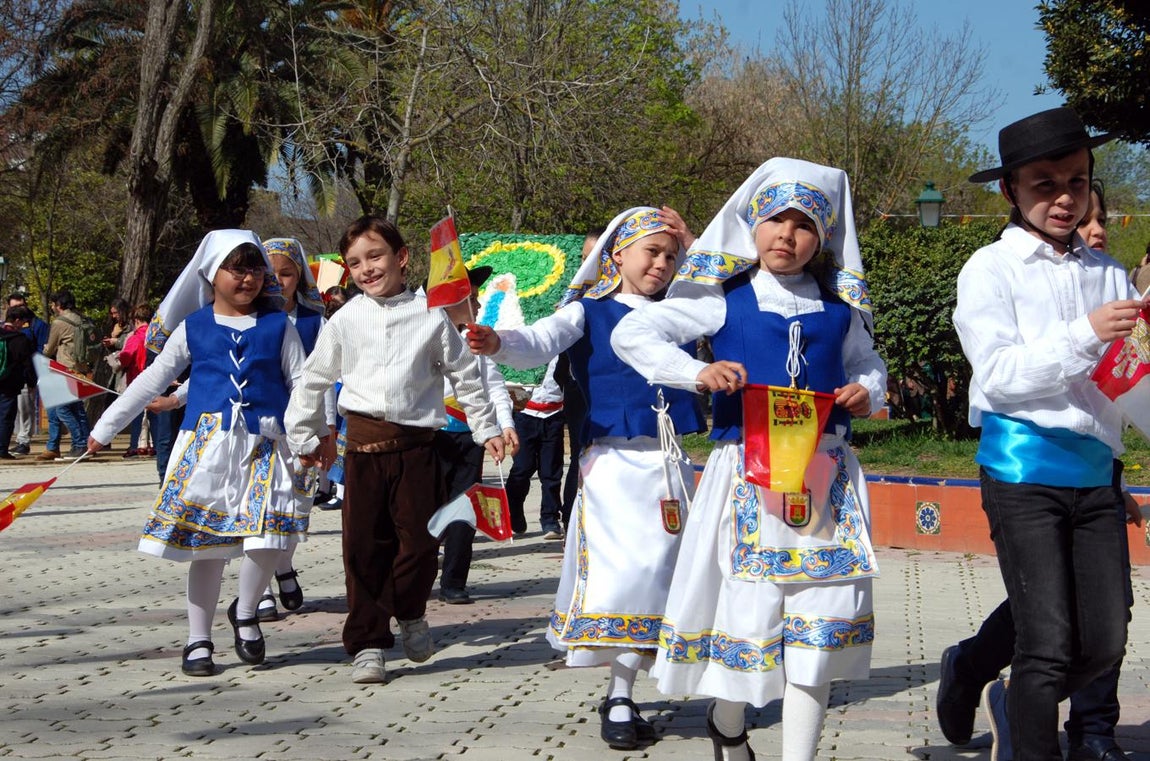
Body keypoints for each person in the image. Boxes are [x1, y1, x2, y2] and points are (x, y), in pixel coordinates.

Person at [611, 158, 886, 761]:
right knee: (751, 615)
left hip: (825, 482)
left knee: (820, 627)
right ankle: (728, 722)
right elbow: (632, 335)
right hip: (747, 479)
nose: (785, 235)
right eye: (774, 220)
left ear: (823, 238)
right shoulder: (722, 300)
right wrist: (696, 371)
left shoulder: (840, 307)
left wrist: (869, 391)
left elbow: (868, 362)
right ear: (752, 226)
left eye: (802, 224)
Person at [467, 206, 704, 751]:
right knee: (627, 572)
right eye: (652, 252)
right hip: (613, 465)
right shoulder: (588, 311)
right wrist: (498, 343)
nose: (662, 263)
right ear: (618, 254)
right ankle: (619, 694)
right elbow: (539, 339)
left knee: (669, 571)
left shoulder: (688, 309)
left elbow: (734, 292)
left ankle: (652, 681)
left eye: (671, 255)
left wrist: (693, 242)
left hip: (669, 462)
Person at [949, 107, 1135, 761]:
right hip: (1023, 470)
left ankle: (985, 679)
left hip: (1096, 472)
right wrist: (1087, 332)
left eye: (1078, 181)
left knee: (1104, 640)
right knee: (1047, 645)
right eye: (1044, 183)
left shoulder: (1109, 275)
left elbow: (1128, 384)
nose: (1064, 197)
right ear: (1010, 190)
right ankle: (1023, 729)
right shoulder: (989, 271)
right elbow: (1000, 378)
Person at [283, 215, 505, 685]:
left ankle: (410, 612)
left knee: (420, 545)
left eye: (375, 256)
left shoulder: (432, 316)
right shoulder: (344, 319)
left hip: (419, 450)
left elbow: (466, 375)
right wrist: (304, 434)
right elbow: (314, 378)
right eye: (355, 263)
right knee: (363, 548)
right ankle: (368, 641)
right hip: (362, 452)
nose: (366, 268)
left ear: (402, 258)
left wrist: (488, 429)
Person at [86, 229, 310, 677]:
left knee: (271, 538)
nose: (247, 278)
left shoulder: (278, 325)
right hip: (207, 450)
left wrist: (312, 435)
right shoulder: (194, 326)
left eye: (254, 268)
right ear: (212, 274)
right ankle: (198, 639)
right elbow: (152, 381)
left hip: (268, 444)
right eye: (236, 268)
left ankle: (246, 611)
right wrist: (106, 427)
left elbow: (303, 382)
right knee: (205, 549)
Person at [254, 237, 332, 623]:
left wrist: (329, 429)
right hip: (260, 429)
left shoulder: (315, 321)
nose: (280, 281)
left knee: (296, 508)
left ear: (300, 275)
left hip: (303, 431)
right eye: (273, 273)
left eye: (287, 273)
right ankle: (260, 589)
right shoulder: (251, 319)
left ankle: (284, 565)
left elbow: (327, 379)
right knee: (259, 510)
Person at [436, 265, 518, 604]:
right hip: (430, 437)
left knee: (463, 509)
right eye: (467, 295)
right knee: (425, 510)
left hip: (471, 436)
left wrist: (506, 425)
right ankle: (418, 574)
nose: (475, 301)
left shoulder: (476, 336)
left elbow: (494, 386)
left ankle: (454, 580)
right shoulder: (424, 331)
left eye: (474, 295)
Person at [506, 356, 566, 539]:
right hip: (525, 414)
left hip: (554, 415)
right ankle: (513, 510)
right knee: (522, 468)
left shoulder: (563, 348)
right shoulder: (528, 346)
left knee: (551, 472)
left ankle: (550, 519)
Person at [38, 290, 92, 460]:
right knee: (77, 409)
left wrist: (45, 349)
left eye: (53, 304)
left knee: (62, 409)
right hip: (81, 369)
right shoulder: (82, 318)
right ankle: (86, 444)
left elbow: (50, 349)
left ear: (59, 305)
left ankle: (79, 444)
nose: (52, 307)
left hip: (65, 368)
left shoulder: (60, 322)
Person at [5, 301, 47, 455]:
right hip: (12, 377)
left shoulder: (37, 325)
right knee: (14, 410)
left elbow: (40, 350)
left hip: (25, 374)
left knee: (25, 408)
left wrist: (33, 375)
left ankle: (24, 440)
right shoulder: (7, 329)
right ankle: (16, 438)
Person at [116, 304, 156, 459]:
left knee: (137, 414)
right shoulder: (156, 336)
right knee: (154, 413)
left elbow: (126, 357)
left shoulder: (136, 337)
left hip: (137, 378)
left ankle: (135, 445)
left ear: (136, 320)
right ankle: (155, 445)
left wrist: (117, 358)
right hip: (155, 378)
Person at [0, 318, 35, 458]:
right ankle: (2, 449)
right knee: (6, 417)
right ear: (17, 321)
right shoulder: (20, 339)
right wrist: (31, 382)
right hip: (10, 383)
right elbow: (27, 364)